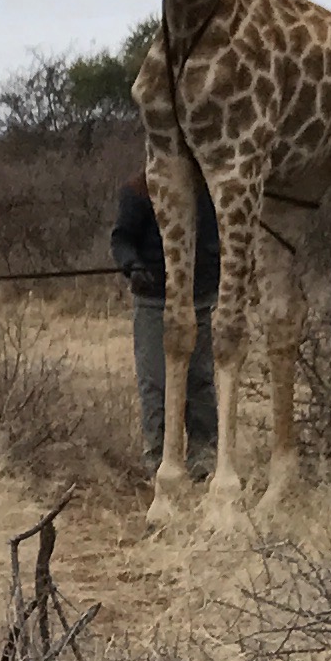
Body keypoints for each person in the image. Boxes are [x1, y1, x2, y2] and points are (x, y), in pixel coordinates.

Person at [112, 167, 219, 470]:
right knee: (155, 382)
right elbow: (121, 238)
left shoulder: (209, 188)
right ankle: (157, 458)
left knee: (200, 381)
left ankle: (204, 457)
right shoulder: (139, 189)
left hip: (199, 299)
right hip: (153, 301)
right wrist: (132, 265)